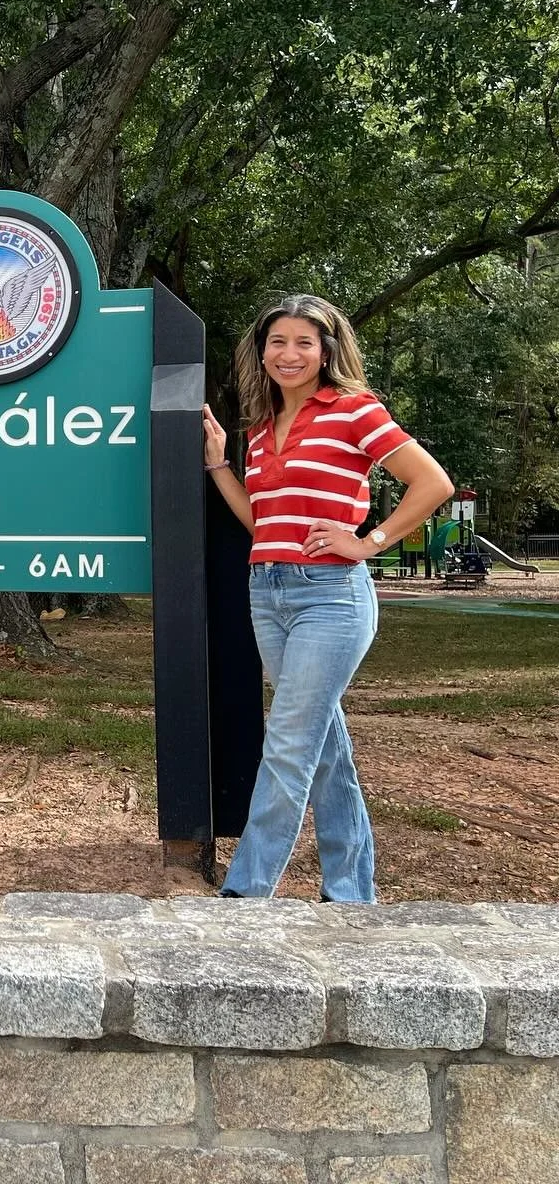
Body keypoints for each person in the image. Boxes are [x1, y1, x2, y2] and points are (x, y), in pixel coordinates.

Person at [202, 294, 452, 901]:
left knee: (288, 741)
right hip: (268, 591)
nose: (289, 354)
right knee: (323, 746)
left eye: (304, 343)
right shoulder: (259, 432)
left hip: (331, 598)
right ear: (261, 351)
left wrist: (371, 541)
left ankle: (246, 890)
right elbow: (262, 523)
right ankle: (350, 887)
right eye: (278, 342)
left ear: (326, 351)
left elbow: (432, 482)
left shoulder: (354, 410)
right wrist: (219, 467)